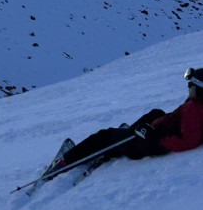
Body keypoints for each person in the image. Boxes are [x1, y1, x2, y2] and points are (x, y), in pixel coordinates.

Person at [47, 67, 203, 175]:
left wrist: (156, 139)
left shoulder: (194, 109)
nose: (188, 89)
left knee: (104, 136)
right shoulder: (196, 107)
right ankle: (125, 137)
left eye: (191, 86)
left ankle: (65, 163)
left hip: (149, 142)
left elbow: (188, 141)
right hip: (157, 131)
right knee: (156, 113)